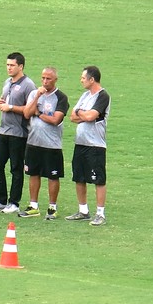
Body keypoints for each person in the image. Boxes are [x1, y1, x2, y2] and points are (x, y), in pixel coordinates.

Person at [0, 52, 36, 214]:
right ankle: (0, 199)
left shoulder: (29, 85)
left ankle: (14, 202)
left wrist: (11, 108)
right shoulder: (7, 82)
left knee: (16, 168)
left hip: (19, 133)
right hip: (3, 130)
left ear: (20, 66)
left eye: (12, 65)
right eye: (7, 65)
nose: (9, 68)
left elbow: (31, 110)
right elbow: (5, 100)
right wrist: (1, 103)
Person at [18, 67, 69, 220]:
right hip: (33, 142)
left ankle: (52, 207)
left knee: (52, 176)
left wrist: (39, 113)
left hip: (51, 144)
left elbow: (55, 120)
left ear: (55, 80)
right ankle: (33, 206)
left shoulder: (61, 97)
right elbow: (27, 113)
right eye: (43, 78)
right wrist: (37, 97)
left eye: (48, 79)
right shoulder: (35, 93)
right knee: (33, 173)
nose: (45, 81)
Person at [65, 65, 111, 226]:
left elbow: (91, 116)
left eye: (83, 78)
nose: (81, 80)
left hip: (95, 145)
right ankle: (83, 210)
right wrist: (82, 114)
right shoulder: (85, 95)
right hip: (80, 143)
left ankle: (100, 213)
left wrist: (81, 114)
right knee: (79, 177)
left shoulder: (103, 96)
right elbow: (72, 116)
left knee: (98, 179)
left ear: (92, 79)